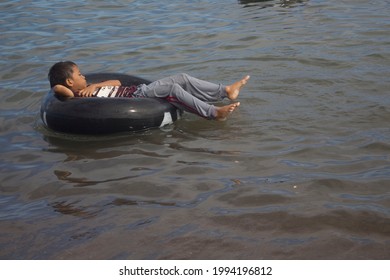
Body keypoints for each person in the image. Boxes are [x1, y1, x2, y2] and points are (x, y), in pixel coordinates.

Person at [48, 61, 250, 121]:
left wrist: (96, 85)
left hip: (138, 90)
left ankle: (225, 91)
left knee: (183, 78)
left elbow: (117, 81)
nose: (84, 77)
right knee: (173, 88)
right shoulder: (75, 95)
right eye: (80, 75)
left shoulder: (91, 87)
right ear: (69, 82)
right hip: (137, 97)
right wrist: (65, 87)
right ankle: (213, 112)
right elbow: (59, 90)